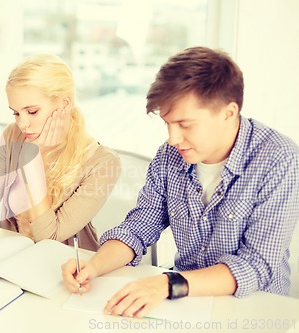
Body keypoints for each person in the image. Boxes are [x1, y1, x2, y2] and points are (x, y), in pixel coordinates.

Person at [61, 46, 299, 317]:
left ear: (228, 113)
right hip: (183, 302)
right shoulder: (169, 155)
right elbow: (138, 227)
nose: (173, 139)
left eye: (185, 124)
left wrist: (167, 283)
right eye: (168, 124)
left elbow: (255, 265)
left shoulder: (280, 160)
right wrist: (95, 265)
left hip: (255, 308)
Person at [0, 53, 121, 253]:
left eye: (32, 111)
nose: (22, 123)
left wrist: (33, 159)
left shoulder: (103, 163)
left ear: (65, 104)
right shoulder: (13, 135)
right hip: (16, 258)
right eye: (16, 113)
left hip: (67, 266)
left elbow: (49, 237)